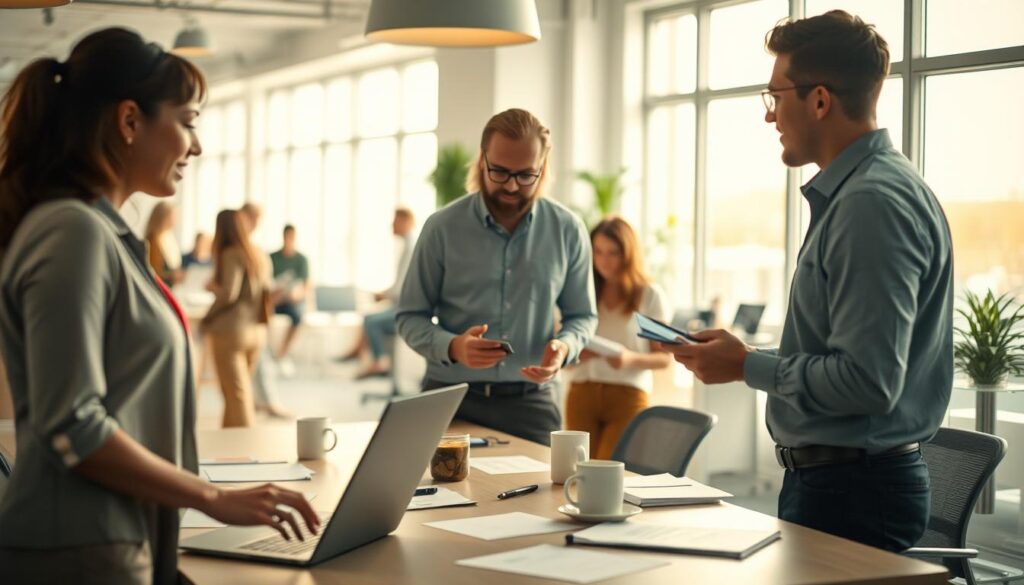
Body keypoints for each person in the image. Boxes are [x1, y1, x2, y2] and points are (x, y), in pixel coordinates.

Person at [0, 28, 317, 584]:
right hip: (79, 550)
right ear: (129, 121)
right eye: (188, 121)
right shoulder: (71, 230)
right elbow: (73, 424)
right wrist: (211, 496)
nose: (196, 145)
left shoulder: (101, 231)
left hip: (122, 535)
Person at [659, 11, 953, 552]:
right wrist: (746, 354)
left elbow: (868, 380)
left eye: (775, 97)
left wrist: (748, 365)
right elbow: (839, 353)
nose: (770, 117)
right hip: (843, 485)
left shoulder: (870, 204)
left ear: (819, 100)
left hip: (853, 493)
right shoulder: (866, 191)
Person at [397, 108, 597, 446]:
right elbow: (409, 317)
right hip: (450, 398)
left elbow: (583, 316)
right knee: (440, 498)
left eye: (525, 175)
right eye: (500, 172)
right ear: (481, 160)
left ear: (543, 168)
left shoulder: (567, 229)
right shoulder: (441, 228)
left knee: (540, 498)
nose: (511, 185)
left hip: (532, 403)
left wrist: (565, 347)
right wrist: (454, 346)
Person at [566, 216, 674, 460]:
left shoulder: (649, 295)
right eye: (598, 252)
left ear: (628, 254)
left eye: (613, 253)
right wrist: (575, 354)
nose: (604, 261)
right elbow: (560, 354)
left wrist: (628, 359)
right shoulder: (581, 292)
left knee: (612, 470)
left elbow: (665, 359)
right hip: (582, 392)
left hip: (627, 396)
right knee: (576, 471)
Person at [203, 209, 274, 428]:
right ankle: (228, 447)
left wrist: (208, 314)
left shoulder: (230, 253)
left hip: (231, 332)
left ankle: (247, 448)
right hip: (257, 332)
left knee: (237, 396)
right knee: (235, 394)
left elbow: (228, 294)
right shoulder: (259, 254)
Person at [340, 207, 417, 379]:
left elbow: (400, 290)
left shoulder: (410, 248)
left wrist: (383, 295)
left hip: (407, 311)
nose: (392, 224)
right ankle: (359, 352)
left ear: (406, 222)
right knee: (368, 316)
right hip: (402, 305)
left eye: (395, 220)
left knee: (371, 321)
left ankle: (379, 360)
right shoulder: (408, 246)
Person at [270, 224, 310, 370]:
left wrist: (296, 295)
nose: (290, 240)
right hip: (275, 299)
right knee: (262, 313)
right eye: (288, 237)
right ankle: (266, 352)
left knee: (297, 316)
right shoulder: (272, 257)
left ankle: (282, 354)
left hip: (293, 301)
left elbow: (306, 286)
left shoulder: (301, 260)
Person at [144, 200, 184, 285]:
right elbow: (153, 272)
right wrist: (171, 276)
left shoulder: (169, 238)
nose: (175, 220)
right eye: (172, 216)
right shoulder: (152, 241)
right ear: (162, 217)